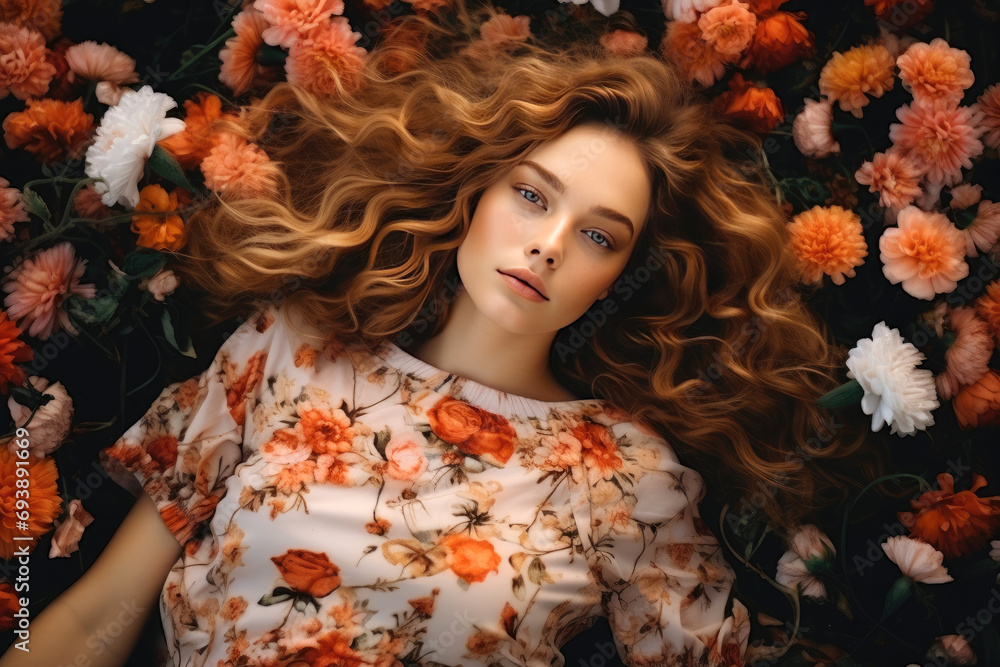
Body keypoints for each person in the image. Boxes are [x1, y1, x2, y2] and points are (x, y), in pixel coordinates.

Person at [0, 3, 871, 666]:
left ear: (625, 274)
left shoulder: (628, 475)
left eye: (601, 236)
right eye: (531, 194)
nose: (551, 243)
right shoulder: (288, 350)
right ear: (476, 190)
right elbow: (90, 618)